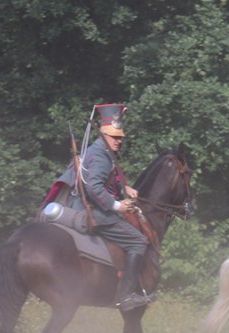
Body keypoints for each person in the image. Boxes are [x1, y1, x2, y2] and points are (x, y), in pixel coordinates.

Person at [54, 103, 155, 312]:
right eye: (114, 137)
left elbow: (99, 178)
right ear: (103, 134)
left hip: (83, 205)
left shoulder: (98, 150)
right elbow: (94, 187)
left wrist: (124, 187)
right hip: (91, 211)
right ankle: (126, 297)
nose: (119, 141)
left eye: (120, 137)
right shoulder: (101, 155)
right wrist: (119, 206)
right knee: (138, 241)